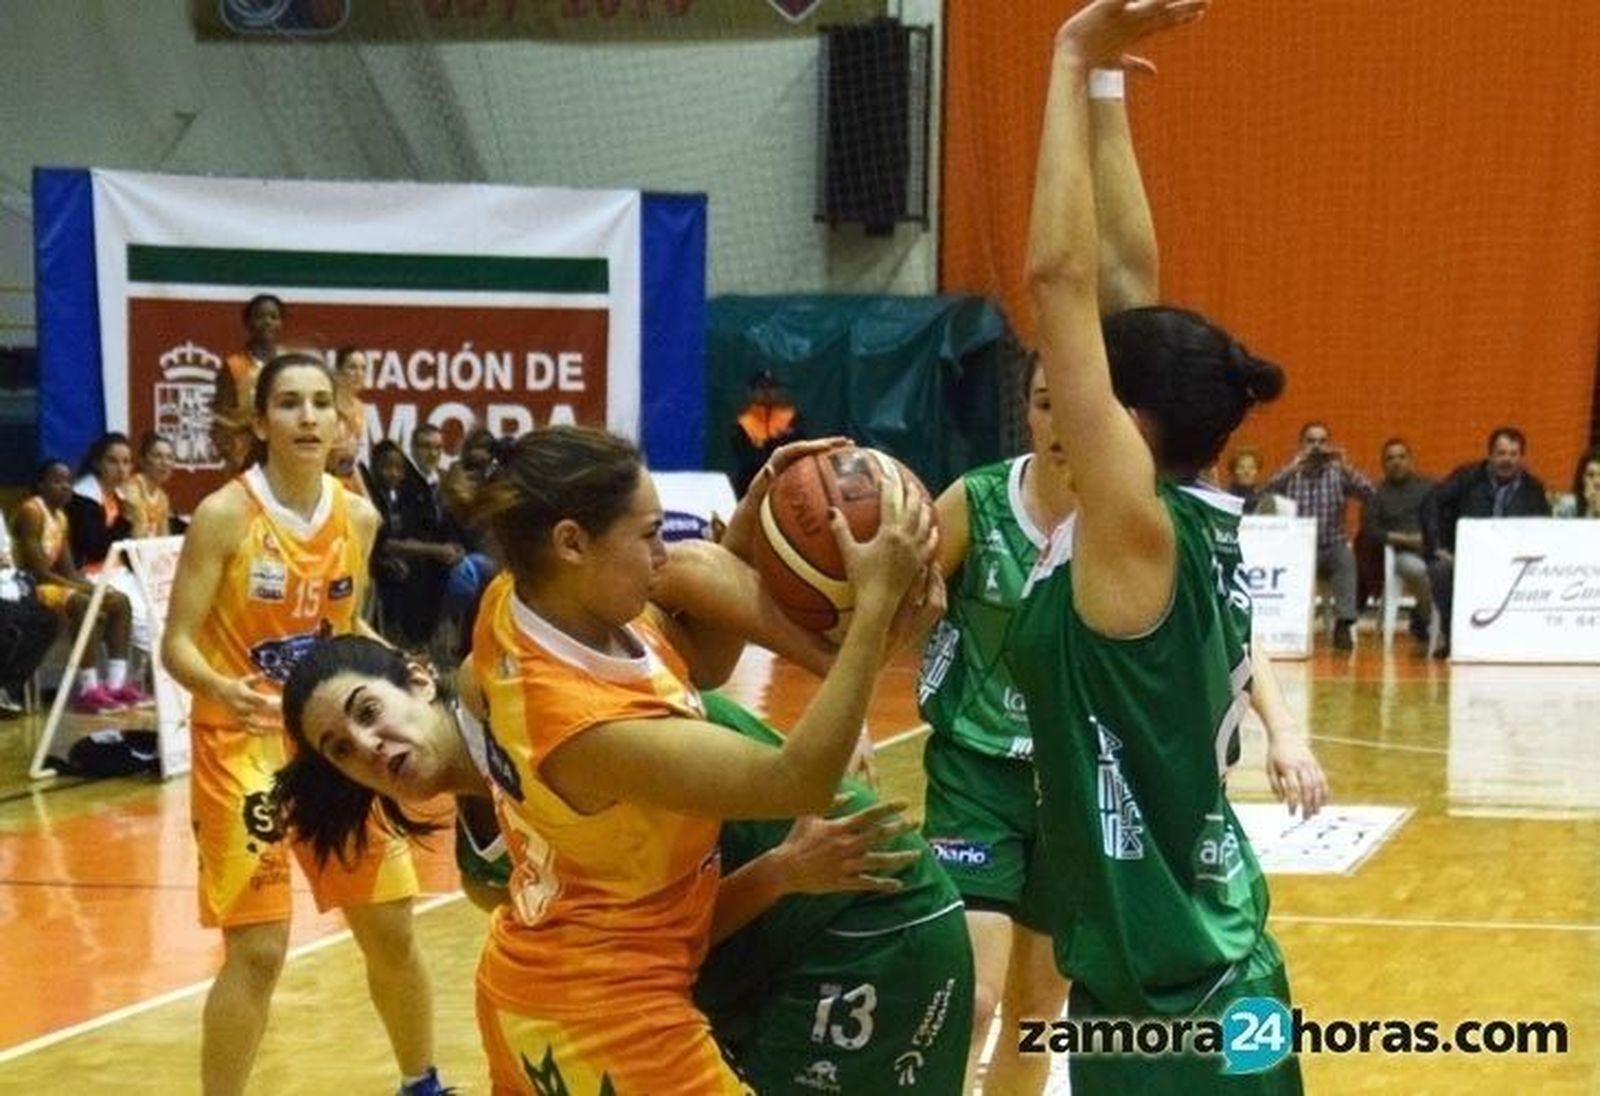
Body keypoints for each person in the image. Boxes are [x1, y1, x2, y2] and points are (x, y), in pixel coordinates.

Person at [273, 626, 972, 1094]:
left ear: (420, 679)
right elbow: (647, 953)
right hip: (742, 966)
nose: (367, 745)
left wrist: (842, 667)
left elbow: (693, 577)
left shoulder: (544, 721)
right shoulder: (485, 867)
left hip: (856, 920)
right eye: (340, 749)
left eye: (368, 711)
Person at [457, 425, 938, 1092]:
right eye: (649, 532)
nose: (664, 553)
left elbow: (697, 660)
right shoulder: (585, 728)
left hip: (546, 975)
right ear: (571, 543)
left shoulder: (520, 603)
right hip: (605, 1017)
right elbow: (796, 781)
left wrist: (749, 529)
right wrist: (873, 612)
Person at [1019, 2, 1303, 1092]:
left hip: (1176, 1009)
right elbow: (1130, 284)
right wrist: (1104, 93)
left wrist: (1063, 53)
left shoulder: (1128, 533)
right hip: (1188, 976)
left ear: (1125, 427)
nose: (1053, 398)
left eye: (1083, 392)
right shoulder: (1174, 519)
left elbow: (1062, 283)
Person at [160, 352, 450, 1096]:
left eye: (322, 402)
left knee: (390, 926)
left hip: (333, 745)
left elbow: (345, 628)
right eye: (289, 403)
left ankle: (421, 1083)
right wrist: (223, 685)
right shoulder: (226, 514)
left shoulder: (358, 514)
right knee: (258, 949)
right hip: (239, 742)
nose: (309, 416)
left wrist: (405, 667)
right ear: (260, 422)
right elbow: (177, 643)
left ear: (342, 419)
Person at [13, 460, 141, 714]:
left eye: (69, 482)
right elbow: (38, 572)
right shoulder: (32, 512)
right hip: (27, 587)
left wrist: (94, 587)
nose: (66, 487)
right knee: (83, 602)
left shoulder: (60, 517)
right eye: (57, 481)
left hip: (52, 584)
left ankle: (115, 685)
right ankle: (88, 689)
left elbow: (69, 570)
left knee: (119, 601)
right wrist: (84, 590)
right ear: (41, 484)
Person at [1421, 426, 1551, 658]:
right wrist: (1437, 546)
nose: (1507, 460)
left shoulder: (1534, 489)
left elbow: (1544, 529)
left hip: (1514, 565)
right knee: (1440, 569)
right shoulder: (1466, 477)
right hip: (1464, 559)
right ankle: (1455, 637)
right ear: (1490, 454)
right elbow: (1431, 502)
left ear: (1521, 456)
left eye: (1513, 454)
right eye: (1501, 453)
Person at [1263, 422, 1374, 650]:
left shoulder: (1338, 474)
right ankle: (1288, 625)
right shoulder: (1292, 474)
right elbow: (1265, 494)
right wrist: (1293, 467)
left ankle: (1343, 623)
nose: (1316, 447)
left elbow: (1370, 494)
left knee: (1346, 558)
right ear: (1302, 444)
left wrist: (1346, 467)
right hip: (1298, 550)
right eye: (1311, 441)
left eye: (1322, 441)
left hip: (1332, 545)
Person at [1358, 439, 1434, 645]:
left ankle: (1424, 618)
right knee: (1417, 569)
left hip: (1434, 549)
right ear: (1383, 464)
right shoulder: (1375, 494)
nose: (1396, 462)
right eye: (1390, 458)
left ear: (1410, 459)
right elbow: (1370, 530)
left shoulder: (1429, 487)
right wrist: (1407, 540)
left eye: (1401, 456)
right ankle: (1430, 621)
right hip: (1401, 555)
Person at [211, 294, 285, 472]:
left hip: (284, 457)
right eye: (260, 316)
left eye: (273, 317)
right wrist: (234, 457)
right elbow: (220, 421)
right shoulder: (234, 366)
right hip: (247, 461)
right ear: (248, 322)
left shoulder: (288, 364)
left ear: (280, 323)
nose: (267, 322)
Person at [0, 508, 60, 717]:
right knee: (9, 619)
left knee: (47, 620)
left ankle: (8, 690)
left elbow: (6, 556)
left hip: (7, 585)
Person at [731, 370, 804, 497]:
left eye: (772, 387)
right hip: (752, 488)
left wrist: (766, 446)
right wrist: (777, 443)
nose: (767, 392)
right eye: (761, 387)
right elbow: (748, 459)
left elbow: (798, 449)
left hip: (786, 485)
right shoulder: (742, 424)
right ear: (752, 392)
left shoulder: (792, 418)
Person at [330, 347, 371, 497]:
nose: (358, 374)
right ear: (338, 372)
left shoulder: (360, 408)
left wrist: (366, 498)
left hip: (347, 486)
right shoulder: (326, 405)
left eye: (363, 368)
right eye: (352, 367)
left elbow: (353, 462)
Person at [125, 432, 181, 538]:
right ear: (142, 460)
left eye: (169, 457)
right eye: (157, 456)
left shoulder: (162, 497)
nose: (165, 462)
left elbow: (164, 537)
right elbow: (138, 535)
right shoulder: (132, 488)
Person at [1554, 447, 1600, 518]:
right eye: (1591, 475)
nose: (1597, 481)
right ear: (1582, 479)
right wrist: (1590, 508)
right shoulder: (1568, 505)